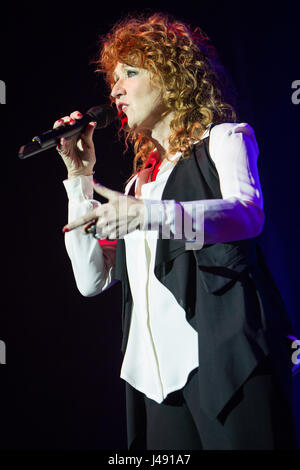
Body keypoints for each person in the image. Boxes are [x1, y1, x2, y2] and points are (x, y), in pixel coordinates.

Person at [54, 13, 297, 450]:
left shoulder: (225, 139)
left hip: (225, 365)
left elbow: (246, 215)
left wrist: (151, 215)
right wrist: (80, 177)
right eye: (113, 80)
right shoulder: (136, 185)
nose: (116, 90)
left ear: (171, 76)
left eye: (130, 73)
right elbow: (92, 281)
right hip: (153, 383)